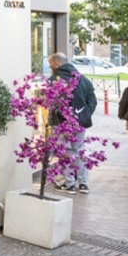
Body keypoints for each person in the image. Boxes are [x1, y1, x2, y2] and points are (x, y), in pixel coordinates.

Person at [48, 52, 98, 193]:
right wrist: (83, 114)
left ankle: (70, 183)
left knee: (65, 151)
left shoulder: (54, 80)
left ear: (56, 63)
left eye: (50, 64)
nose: (50, 67)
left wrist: (64, 116)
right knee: (79, 150)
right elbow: (92, 101)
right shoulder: (83, 80)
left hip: (60, 122)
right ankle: (83, 183)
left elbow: (52, 103)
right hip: (79, 123)